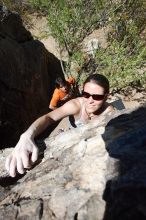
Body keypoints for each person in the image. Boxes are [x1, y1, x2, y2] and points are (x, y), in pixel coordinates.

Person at [5, 74, 114, 177]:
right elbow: (49, 118)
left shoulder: (110, 113)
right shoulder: (76, 105)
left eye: (97, 97)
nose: (90, 101)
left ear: (106, 97)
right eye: (86, 94)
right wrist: (27, 135)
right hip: (71, 136)